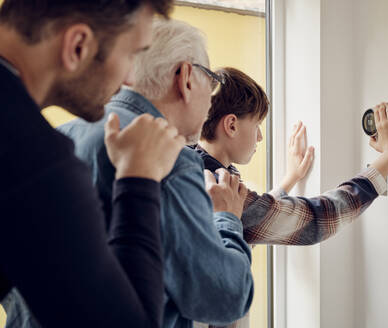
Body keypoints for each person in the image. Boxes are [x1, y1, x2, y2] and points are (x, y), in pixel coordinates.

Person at [3, 18, 255, 328]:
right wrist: (227, 219)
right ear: (186, 77)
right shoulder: (171, 160)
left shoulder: (61, 135)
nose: (211, 100)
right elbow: (224, 298)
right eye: (212, 83)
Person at [0, 1, 187, 328]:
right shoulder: (33, 158)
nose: (130, 77)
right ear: (78, 46)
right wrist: (139, 177)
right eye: (132, 54)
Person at [194, 67, 388, 328]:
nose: (260, 136)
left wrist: (289, 180)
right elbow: (318, 218)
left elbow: (249, 220)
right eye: (257, 124)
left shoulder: (194, 166)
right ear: (231, 124)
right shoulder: (218, 185)